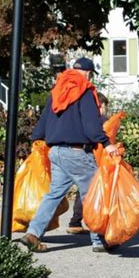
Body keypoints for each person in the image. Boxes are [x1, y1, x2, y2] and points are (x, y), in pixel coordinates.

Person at [20, 57, 119, 253]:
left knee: (53, 194)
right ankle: (99, 240)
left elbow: (44, 121)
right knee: (93, 195)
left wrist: (36, 140)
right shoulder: (85, 91)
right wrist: (106, 143)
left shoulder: (57, 90)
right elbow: (92, 125)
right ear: (89, 73)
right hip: (76, 152)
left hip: (55, 152)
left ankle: (33, 233)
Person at [66, 93, 109, 234]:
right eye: (105, 106)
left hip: (74, 154)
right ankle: (96, 229)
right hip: (94, 158)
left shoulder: (81, 118)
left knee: (77, 190)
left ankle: (75, 222)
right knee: (89, 190)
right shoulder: (102, 120)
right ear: (101, 106)